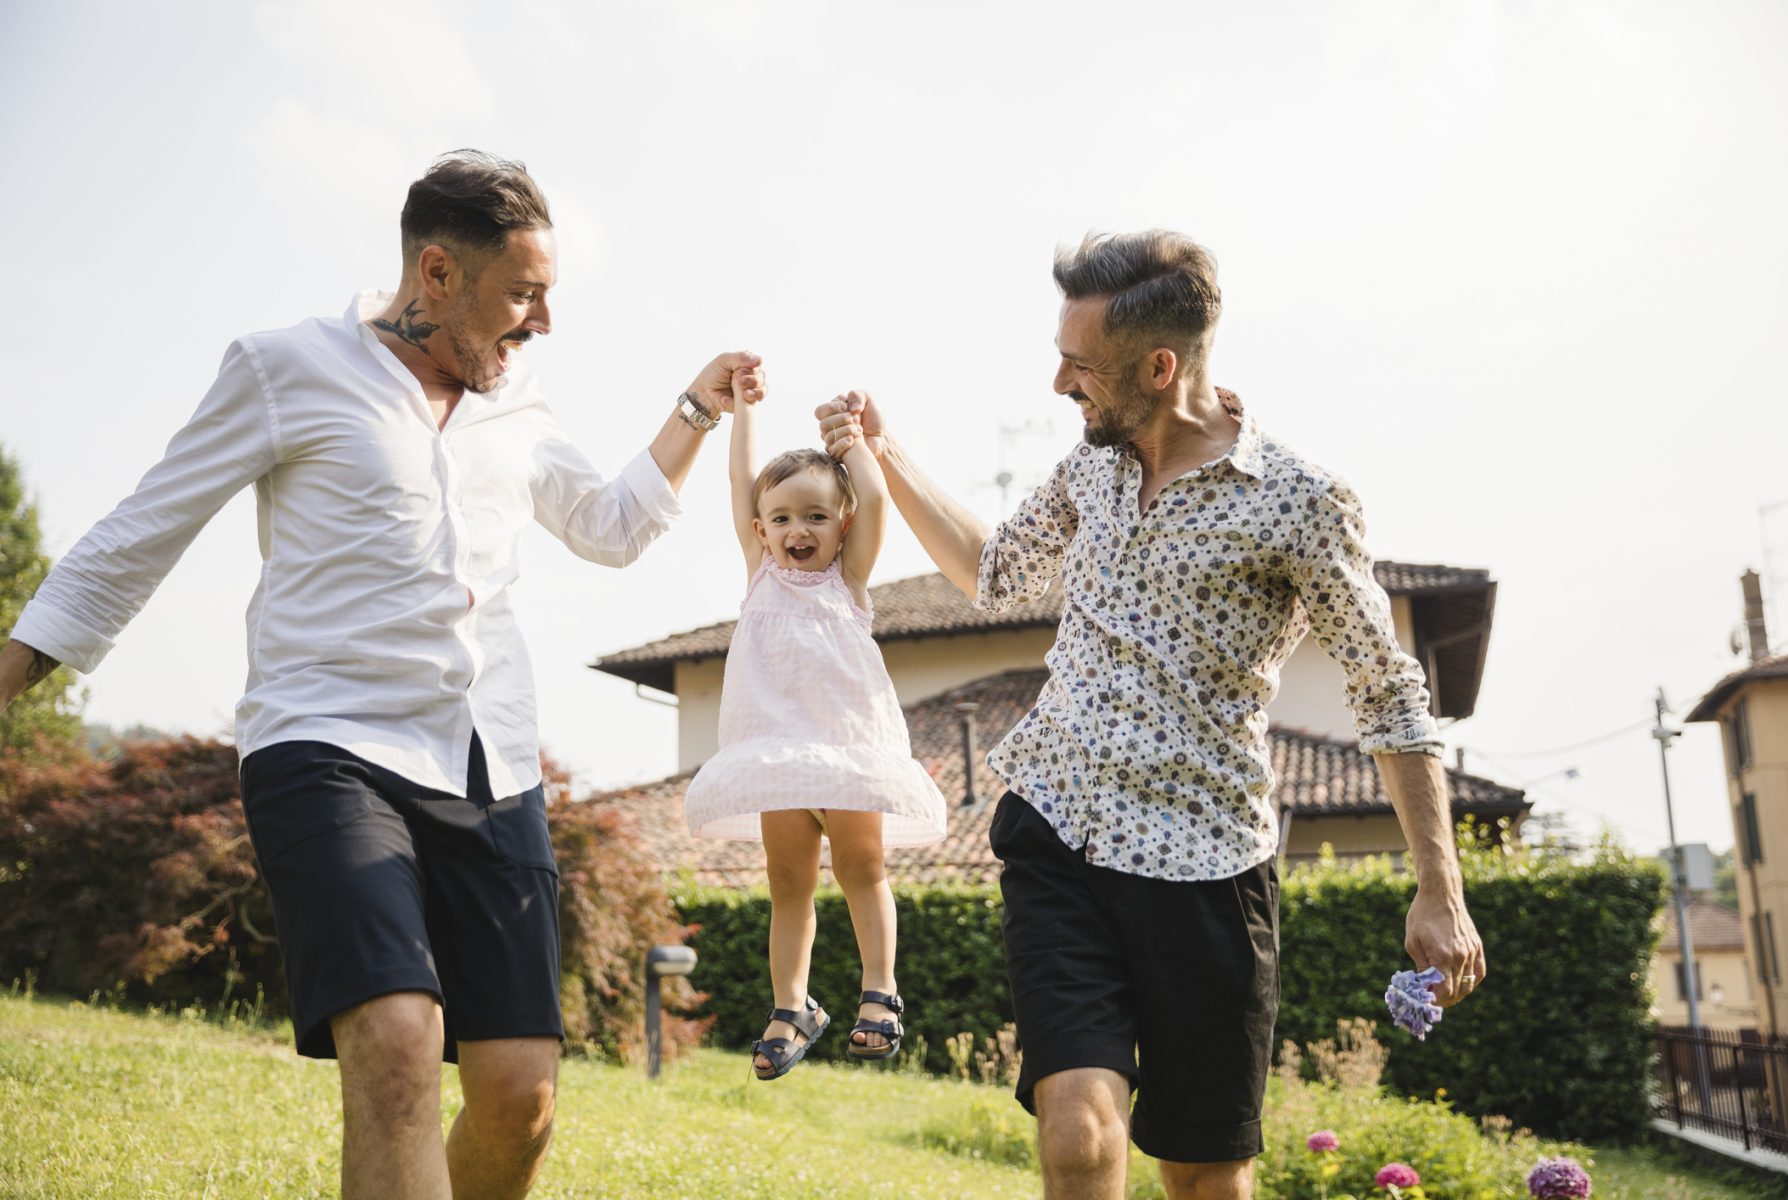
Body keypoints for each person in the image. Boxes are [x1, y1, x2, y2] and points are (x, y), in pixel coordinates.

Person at [0, 150, 761, 1200]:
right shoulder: (286, 368)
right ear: (438, 274)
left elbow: (611, 525)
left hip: (489, 761)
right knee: (399, 1040)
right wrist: (13, 671)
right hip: (327, 744)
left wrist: (696, 406)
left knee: (519, 1099)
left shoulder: (517, 400)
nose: (542, 321)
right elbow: (144, 529)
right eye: (524, 294)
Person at [817, 231, 1486, 1200]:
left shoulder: (1299, 503)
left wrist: (1441, 887)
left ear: (1160, 366)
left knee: (1204, 1175)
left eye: (1079, 365)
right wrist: (884, 449)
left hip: (1206, 868)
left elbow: (1388, 691)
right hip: (1059, 834)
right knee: (1081, 1136)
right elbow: (994, 566)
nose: (1058, 384)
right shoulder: (1090, 466)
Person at [684, 380, 946, 1080]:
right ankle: (792, 1006)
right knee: (788, 882)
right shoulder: (758, 574)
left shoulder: (849, 582)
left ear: (843, 525)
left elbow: (879, 498)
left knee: (863, 866)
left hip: (848, 753)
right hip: (775, 759)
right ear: (761, 528)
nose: (798, 531)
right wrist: (743, 413)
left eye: (817, 517)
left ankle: (880, 992)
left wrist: (855, 442)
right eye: (782, 519)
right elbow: (742, 480)